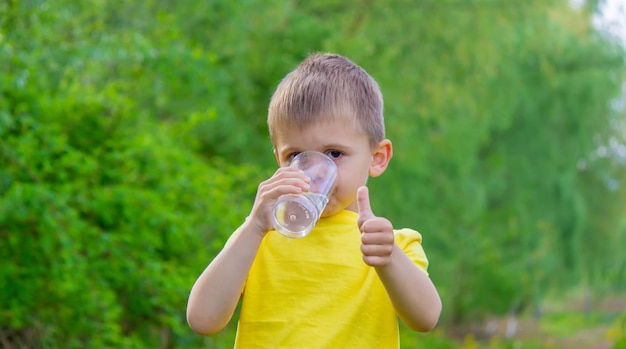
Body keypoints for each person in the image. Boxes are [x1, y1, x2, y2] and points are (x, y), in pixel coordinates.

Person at [186, 53, 442, 348]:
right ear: (279, 161)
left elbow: (426, 319)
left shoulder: (389, 244)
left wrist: (389, 258)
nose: (314, 173)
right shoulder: (260, 238)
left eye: (334, 154)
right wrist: (253, 226)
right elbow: (203, 320)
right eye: (296, 156)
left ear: (377, 157)